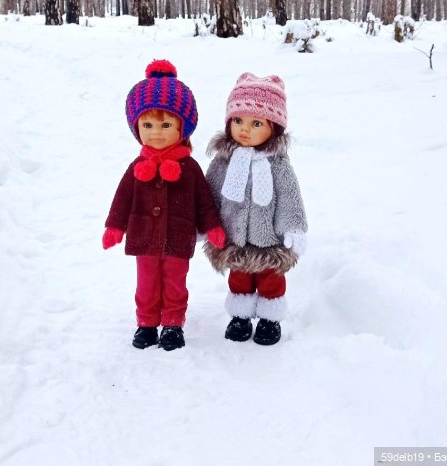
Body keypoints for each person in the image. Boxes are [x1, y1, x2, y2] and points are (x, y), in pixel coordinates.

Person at [102, 59, 226, 351]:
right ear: (136, 127)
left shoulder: (190, 168)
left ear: (184, 126)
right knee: (146, 283)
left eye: (166, 124)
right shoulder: (137, 166)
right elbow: (122, 199)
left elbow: (204, 202)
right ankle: (146, 323)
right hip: (144, 237)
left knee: (174, 282)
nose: (156, 132)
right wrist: (114, 226)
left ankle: (172, 323)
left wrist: (213, 227)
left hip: (178, 237)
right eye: (147, 124)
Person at [204, 72, 307, 346]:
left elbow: (289, 196)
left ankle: (269, 320)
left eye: (256, 123)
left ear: (274, 127)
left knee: (270, 280)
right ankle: (240, 317)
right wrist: (206, 222)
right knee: (239, 279)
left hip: (269, 238)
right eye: (238, 121)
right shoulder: (224, 161)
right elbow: (210, 193)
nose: (244, 129)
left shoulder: (277, 164)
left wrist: (293, 227)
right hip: (234, 237)